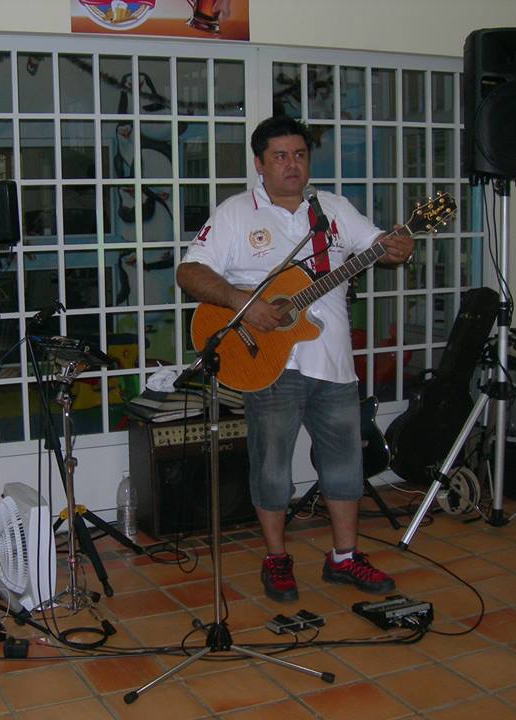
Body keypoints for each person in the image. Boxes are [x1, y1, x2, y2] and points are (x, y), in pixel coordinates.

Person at [176, 115, 414, 602]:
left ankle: (344, 557)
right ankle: (276, 557)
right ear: (259, 164)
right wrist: (244, 304)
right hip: (268, 365)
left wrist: (398, 248)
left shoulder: (332, 209)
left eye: (299, 155)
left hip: (334, 363)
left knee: (345, 466)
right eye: (280, 156)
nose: (292, 165)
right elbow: (189, 272)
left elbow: (378, 247)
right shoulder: (235, 213)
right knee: (272, 470)